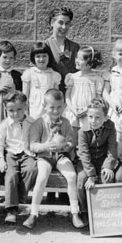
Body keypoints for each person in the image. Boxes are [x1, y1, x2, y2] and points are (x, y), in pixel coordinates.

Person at [23, 89, 85, 229]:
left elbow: (70, 143)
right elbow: (32, 145)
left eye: (59, 107)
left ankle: (75, 212)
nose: (56, 111)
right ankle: (33, 213)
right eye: (52, 107)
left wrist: (63, 146)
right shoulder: (38, 123)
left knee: (71, 176)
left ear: (63, 106)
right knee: (42, 176)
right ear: (45, 106)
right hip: (44, 157)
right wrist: (45, 146)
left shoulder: (66, 122)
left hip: (61, 156)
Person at [0, 91, 37, 224]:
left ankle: (20, 200)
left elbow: (36, 140)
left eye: (19, 109)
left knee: (32, 169)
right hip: (11, 153)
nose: (15, 113)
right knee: (11, 175)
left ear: (25, 107)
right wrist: (0, 159)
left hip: (27, 153)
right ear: (6, 109)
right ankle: (11, 209)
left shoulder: (32, 122)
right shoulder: (4, 124)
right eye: (11, 110)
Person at [76, 97, 118, 219]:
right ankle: (84, 210)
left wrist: (108, 167)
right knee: (81, 182)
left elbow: (112, 148)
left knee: (106, 179)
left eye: (98, 117)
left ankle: (103, 213)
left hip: (102, 160)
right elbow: (84, 154)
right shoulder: (83, 131)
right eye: (90, 117)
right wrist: (91, 175)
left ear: (106, 118)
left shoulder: (110, 127)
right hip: (86, 163)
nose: (93, 121)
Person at [64, 46, 104, 145]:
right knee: (72, 138)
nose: (76, 60)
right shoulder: (72, 77)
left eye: (80, 59)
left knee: (86, 138)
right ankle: (71, 155)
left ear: (90, 62)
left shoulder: (96, 79)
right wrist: (73, 109)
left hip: (88, 112)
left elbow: (98, 98)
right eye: (76, 57)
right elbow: (68, 96)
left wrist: (87, 109)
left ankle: (83, 157)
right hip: (73, 111)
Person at [22, 42, 61, 119]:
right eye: (38, 56)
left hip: (50, 110)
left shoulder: (54, 75)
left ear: (49, 57)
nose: (41, 59)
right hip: (34, 109)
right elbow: (24, 95)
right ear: (33, 58)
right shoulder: (29, 73)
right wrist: (25, 112)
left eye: (44, 56)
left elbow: (57, 96)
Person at [45, 7, 80, 93]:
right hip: (51, 94)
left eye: (67, 23)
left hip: (72, 93)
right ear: (52, 22)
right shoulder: (45, 46)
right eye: (60, 22)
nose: (64, 27)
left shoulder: (75, 47)